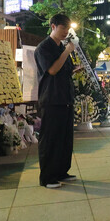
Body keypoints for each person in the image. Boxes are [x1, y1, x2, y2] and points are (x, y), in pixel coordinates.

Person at [34, 13, 78, 189]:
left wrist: (74, 70)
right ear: (53, 26)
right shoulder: (43, 48)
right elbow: (52, 70)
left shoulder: (61, 47)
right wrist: (67, 51)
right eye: (62, 28)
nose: (66, 32)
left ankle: (61, 172)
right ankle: (47, 177)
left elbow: (62, 70)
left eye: (67, 29)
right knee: (50, 140)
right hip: (51, 99)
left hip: (65, 98)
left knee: (65, 139)